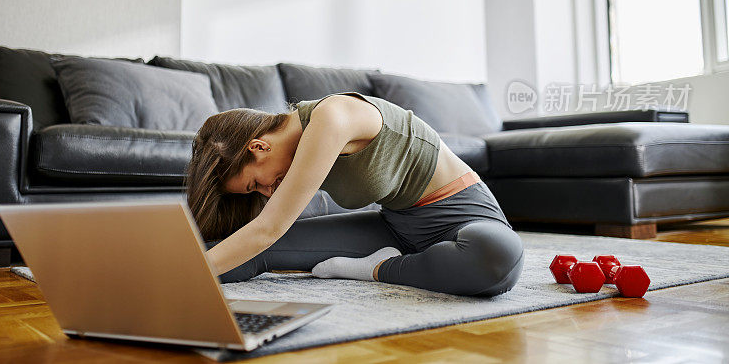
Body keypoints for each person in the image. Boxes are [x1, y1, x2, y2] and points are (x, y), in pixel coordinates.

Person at [185, 92, 524, 297]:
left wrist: (189, 275)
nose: (266, 192)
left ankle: (376, 268)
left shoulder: (333, 118)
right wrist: (161, 275)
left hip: (462, 218)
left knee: (499, 257)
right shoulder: (301, 142)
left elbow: (267, 228)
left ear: (259, 146)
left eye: (254, 183)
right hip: (395, 228)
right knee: (250, 249)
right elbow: (254, 240)